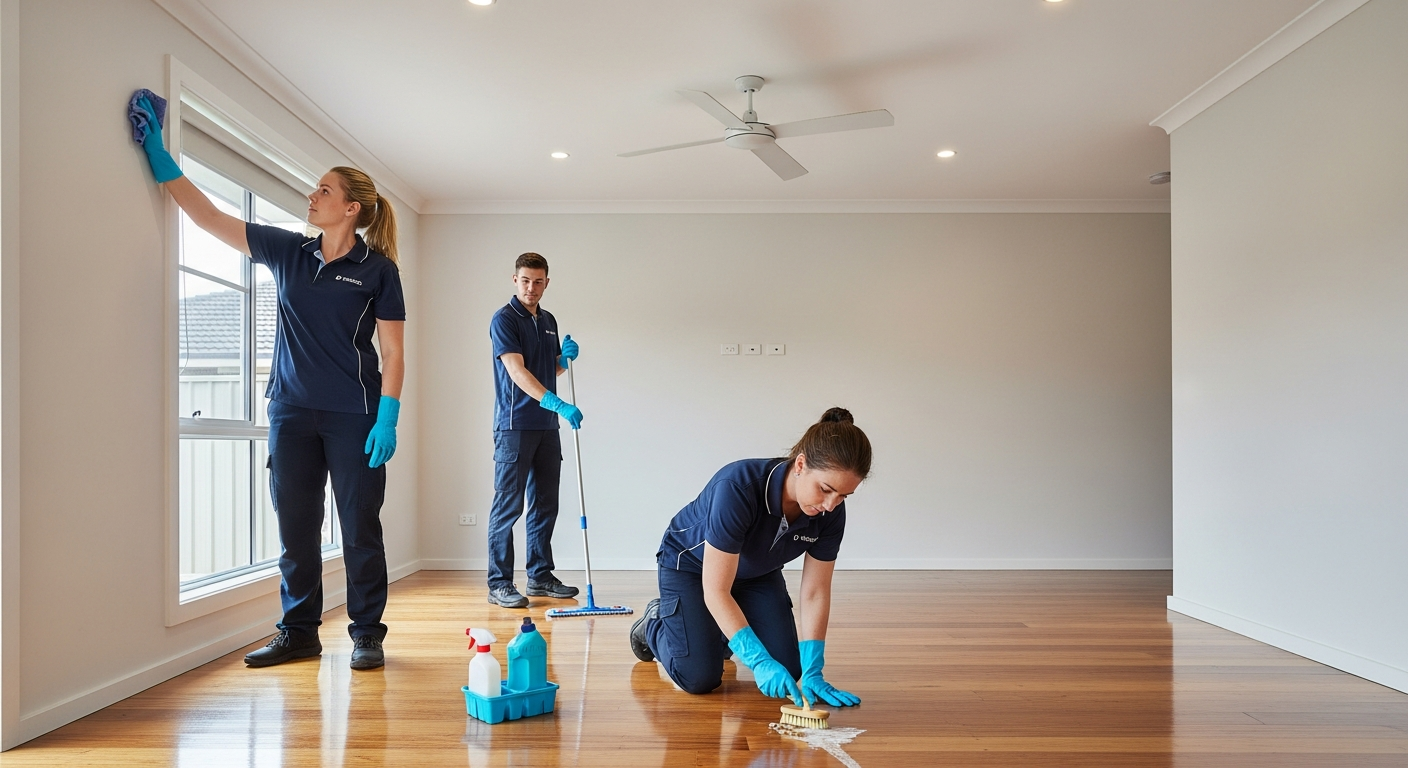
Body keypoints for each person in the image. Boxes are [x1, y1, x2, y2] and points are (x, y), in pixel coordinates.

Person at [133, 96, 405, 670]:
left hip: (354, 415)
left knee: (359, 529)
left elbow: (394, 349)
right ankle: (299, 633)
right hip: (290, 412)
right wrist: (159, 154)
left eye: (324, 190)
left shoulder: (379, 270)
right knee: (296, 528)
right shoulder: (289, 251)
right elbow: (209, 218)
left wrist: (388, 415)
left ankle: (366, 634)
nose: (312, 195)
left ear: (351, 208)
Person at [630, 408, 869, 708]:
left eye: (843, 496)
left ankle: (714, 631)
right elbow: (716, 590)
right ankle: (654, 622)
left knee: (789, 668)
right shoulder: (737, 488)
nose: (831, 505)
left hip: (756, 574)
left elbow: (815, 592)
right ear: (800, 464)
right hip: (692, 568)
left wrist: (813, 669)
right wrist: (757, 660)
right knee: (699, 677)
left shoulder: (830, 512)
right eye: (825, 489)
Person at [485, 253, 583, 608]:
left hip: (546, 426)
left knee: (545, 504)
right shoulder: (504, 319)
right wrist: (558, 404)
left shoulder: (549, 320)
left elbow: (545, 371)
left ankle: (540, 576)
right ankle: (499, 583)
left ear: (546, 283)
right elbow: (517, 371)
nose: (531, 287)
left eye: (538, 281)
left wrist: (562, 360)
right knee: (508, 506)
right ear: (515, 280)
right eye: (525, 280)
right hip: (515, 426)